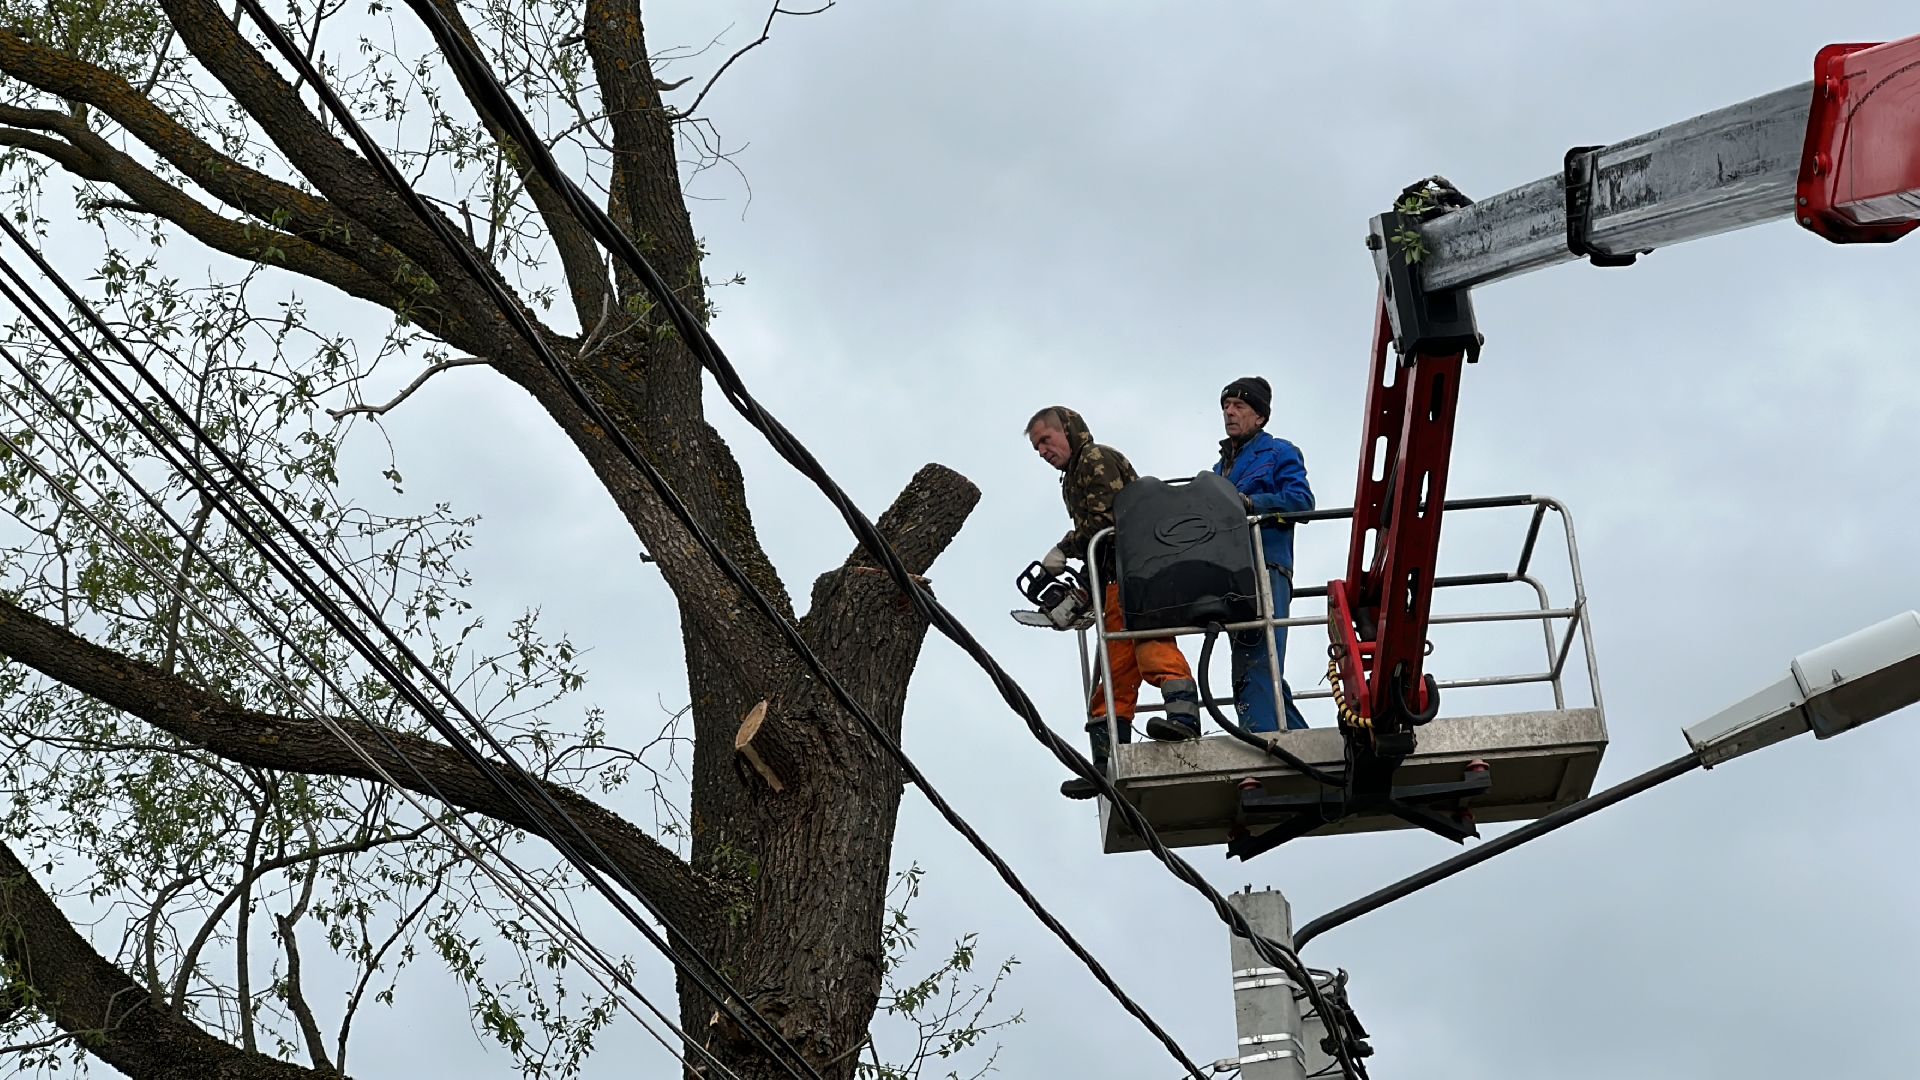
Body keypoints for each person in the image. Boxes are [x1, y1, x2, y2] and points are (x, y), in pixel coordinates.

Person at [1028, 405, 1202, 799]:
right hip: (1114, 581)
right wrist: (1088, 590)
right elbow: (1100, 544)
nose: (1042, 451)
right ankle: (1106, 763)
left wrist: (1064, 547)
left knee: (1153, 647)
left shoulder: (1095, 459)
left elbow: (1106, 524)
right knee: (1115, 671)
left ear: (1068, 431)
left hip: (1141, 574)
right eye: (1037, 447)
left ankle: (1184, 720)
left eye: (1046, 440)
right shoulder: (1071, 477)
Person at [1212, 377, 1314, 732]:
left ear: (1260, 417)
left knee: (1255, 662)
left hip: (1266, 567)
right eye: (1226, 406)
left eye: (1239, 406)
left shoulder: (1279, 452)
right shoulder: (1217, 470)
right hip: (1231, 573)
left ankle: (1264, 741)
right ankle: (1300, 742)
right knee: (1258, 666)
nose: (1229, 412)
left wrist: (1253, 504)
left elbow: (1302, 503)